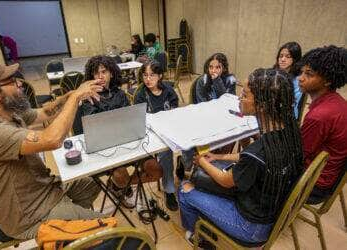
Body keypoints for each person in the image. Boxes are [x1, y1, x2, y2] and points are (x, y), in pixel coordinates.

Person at [0, 57, 105, 240]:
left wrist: (70, 95)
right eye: (13, 81)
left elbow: (45, 113)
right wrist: (75, 98)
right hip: (31, 215)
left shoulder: (7, 111)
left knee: (92, 184)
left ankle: (70, 232)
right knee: (118, 233)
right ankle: (67, 232)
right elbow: (52, 139)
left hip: (44, 191)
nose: (20, 85)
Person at [178, 68, 303, 245]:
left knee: (185, 188)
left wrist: (201, 162)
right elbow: (248, 157)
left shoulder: (257, 153)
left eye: (244, 94)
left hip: (251, 227)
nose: (239, 98)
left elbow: (225, 180)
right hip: (270, 210)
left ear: (262, 105)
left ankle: (198, 239)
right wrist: (218, 156)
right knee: (215, 170)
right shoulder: (290, 132)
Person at [72, 55, 134, 206]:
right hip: (102, 143)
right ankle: (119, 186)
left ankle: (118, 186)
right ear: (91, 76)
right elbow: (93, 125)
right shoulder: (89, 97)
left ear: (111, 73)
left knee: (153, 167)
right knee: (121, 175)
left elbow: (129, 118)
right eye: (96, 73)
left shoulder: (120, 94)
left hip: (123, 139)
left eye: (104, 72)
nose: (100, 77)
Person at [298, 45, 347, 204]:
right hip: (331, 177)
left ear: (328, 80)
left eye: (309, 74)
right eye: (302, 72)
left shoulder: (320, 116)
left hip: (314, 184)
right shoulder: (338, 101)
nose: (301, 78)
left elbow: (297, 156)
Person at [134, 61, 179, 211]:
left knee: (191, 144)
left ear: (160, 76)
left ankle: (183, 163)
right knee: (166, 152)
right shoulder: (141, 94)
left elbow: (175, 113)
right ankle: (169, 189)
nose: (148, 79)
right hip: (151, 134)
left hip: (170, 129)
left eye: (152, 75)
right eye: (145, 75)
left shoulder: (169, 91)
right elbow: (139, 120)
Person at [274, 41, 303, 119]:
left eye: (288, 56)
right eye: (281, 56)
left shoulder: (298, 80)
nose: (283, 59)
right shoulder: (273, 73)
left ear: (295, 59)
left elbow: (288, 103)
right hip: (272, 111)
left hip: (287, 117)